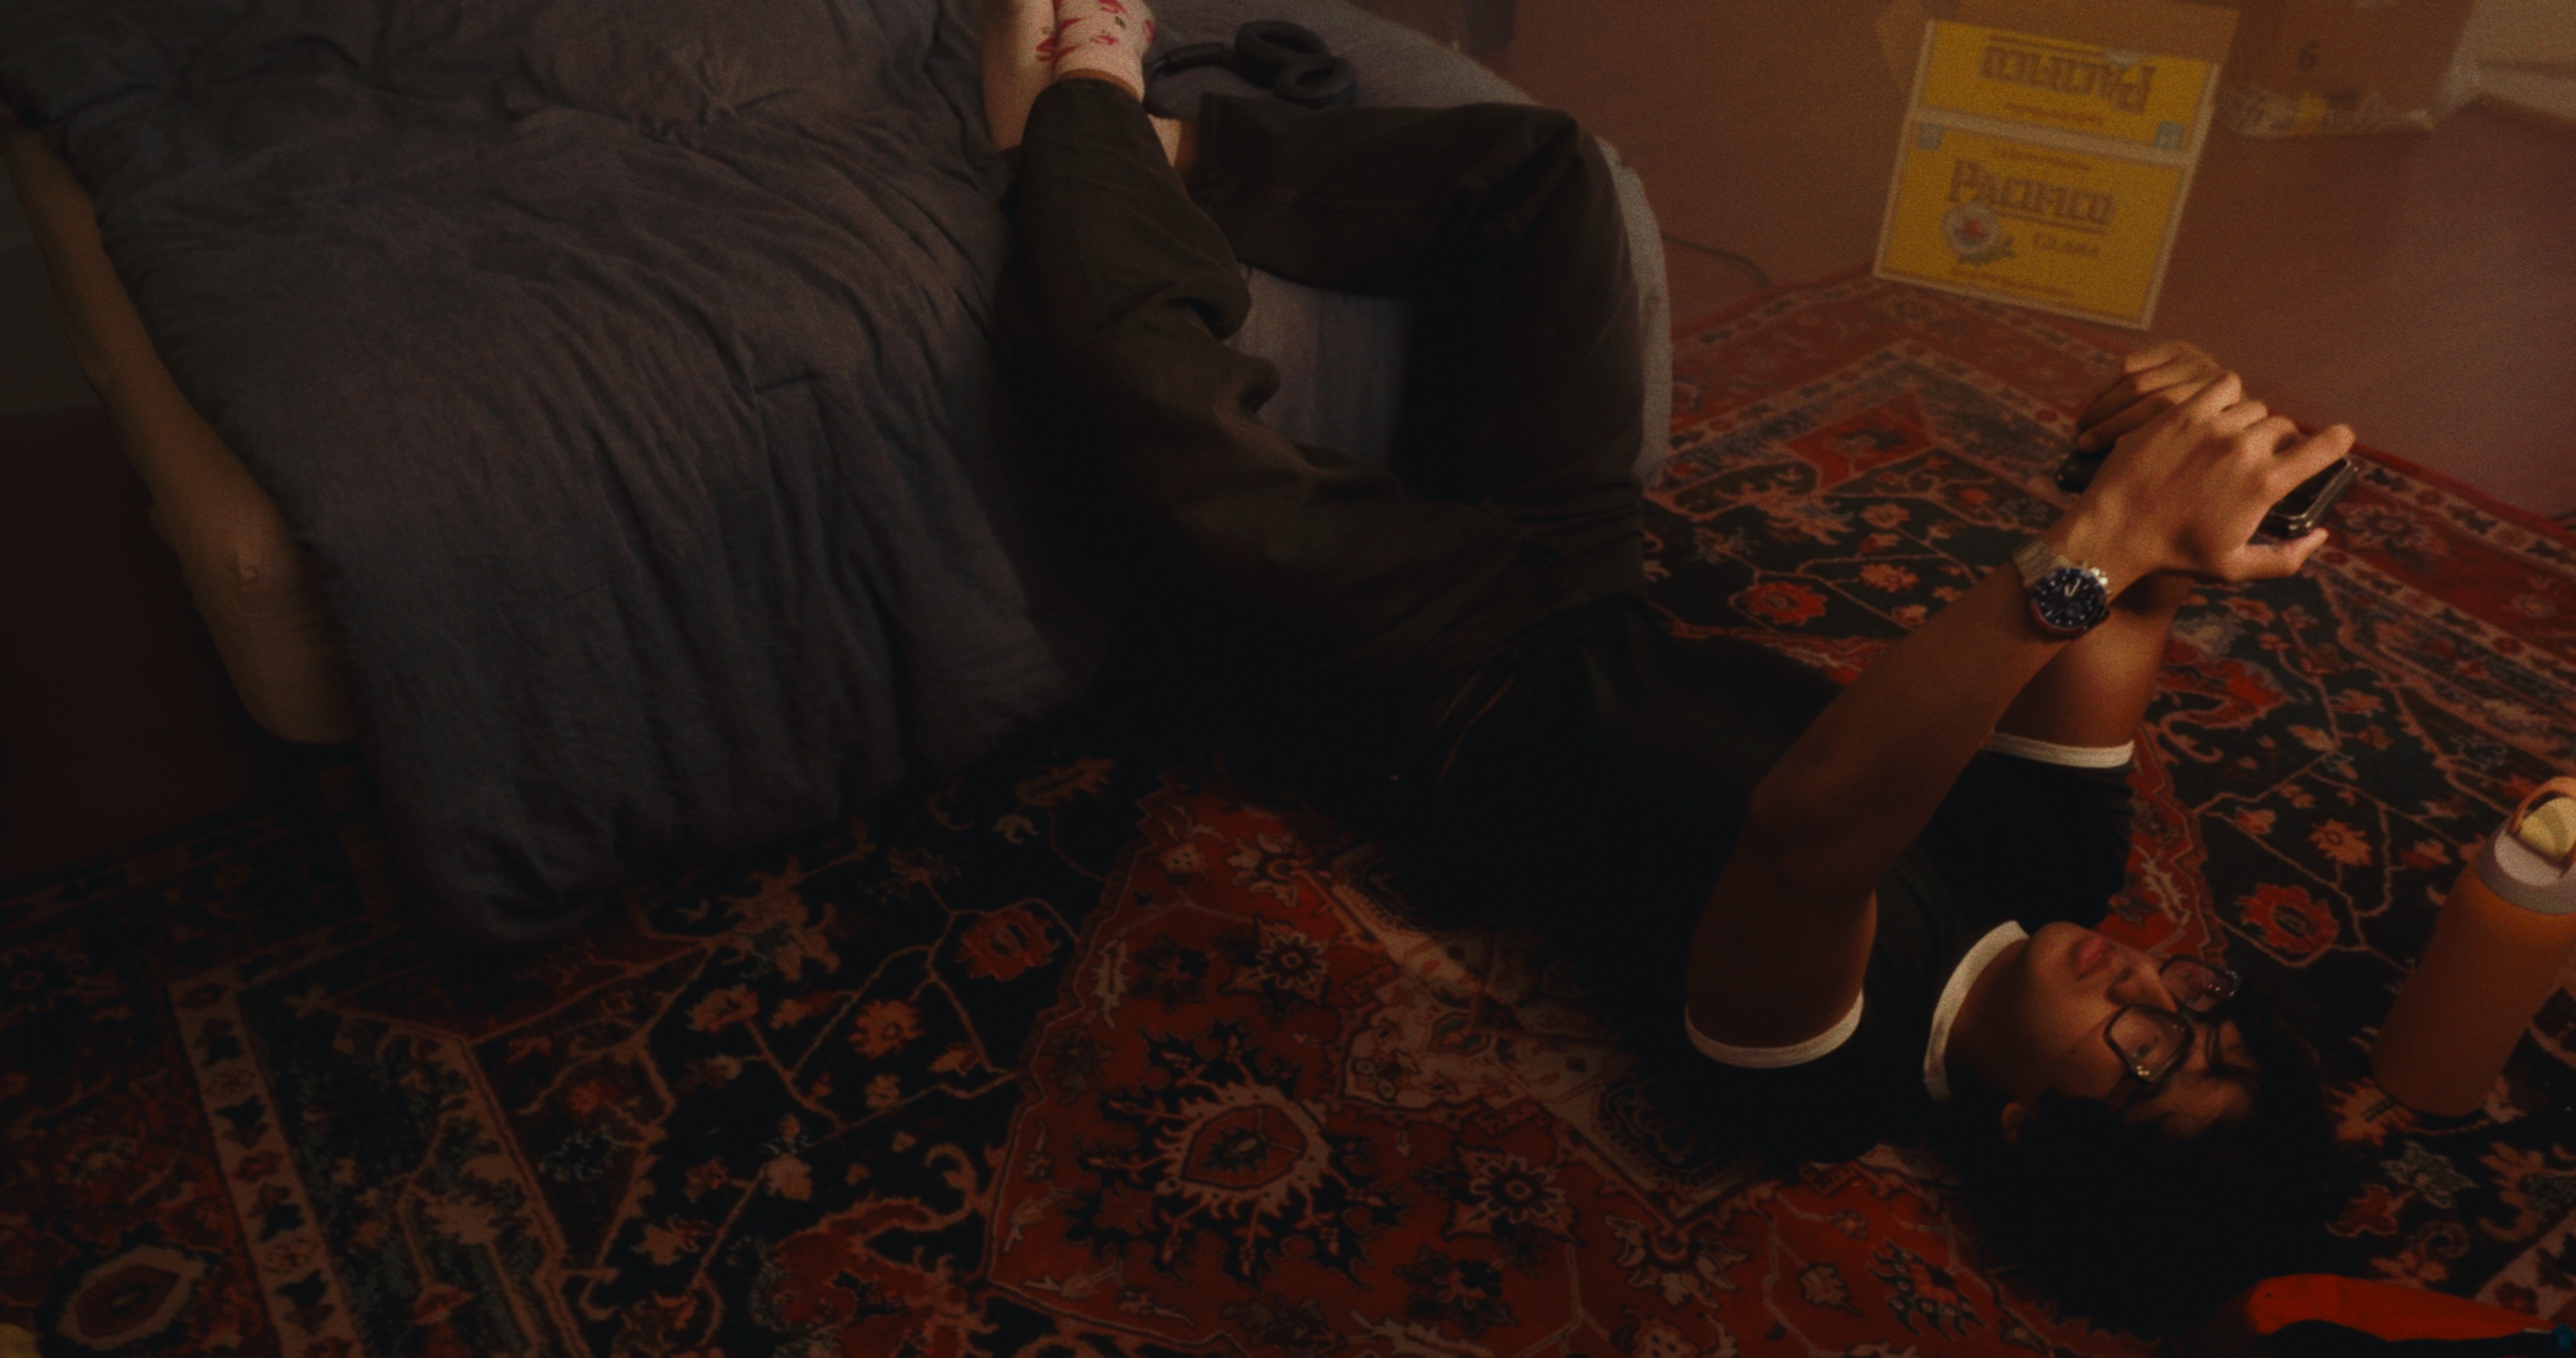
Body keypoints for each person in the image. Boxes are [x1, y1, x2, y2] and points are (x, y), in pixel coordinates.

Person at [983, 0, 2353, 1326]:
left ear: (2027, 1131)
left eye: (2148, 1059)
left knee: (1155, 413)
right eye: (2197, 1010)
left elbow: (1814, 829)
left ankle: (1073, 112)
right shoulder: (2062, 871)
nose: (2147, 988)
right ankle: (1159, 158)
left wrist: (2099, 539)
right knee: (1548, 179)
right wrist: (2166, 436)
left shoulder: (1827, 1076)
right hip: (1587, 589)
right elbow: (2132, 599)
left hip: (1439, 687)